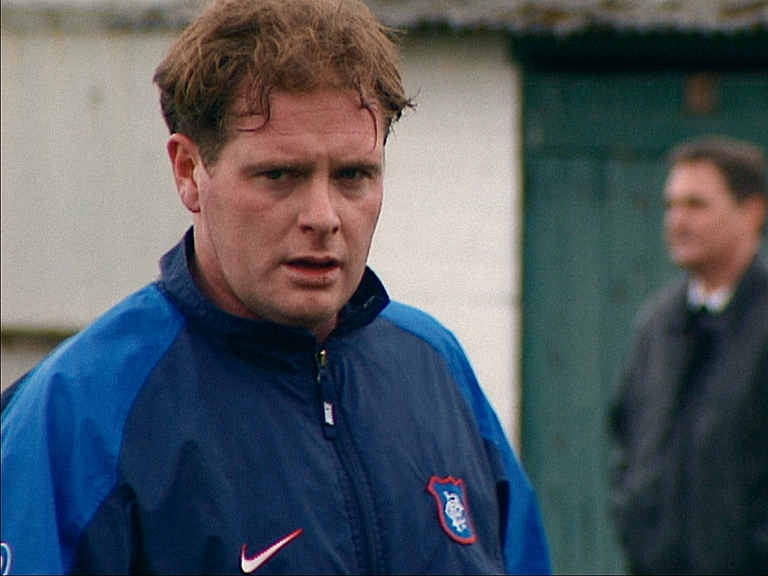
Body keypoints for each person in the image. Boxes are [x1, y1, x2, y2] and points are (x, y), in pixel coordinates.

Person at [0, 0, 551, 574]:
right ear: (189, 171)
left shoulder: (435, 365)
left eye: (353, 175)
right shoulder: (81, 411)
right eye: (279, 175)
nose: (323, 215)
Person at [609, 135, 768, 574]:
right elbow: (628, 444)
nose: (677, 220)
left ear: (752, 212)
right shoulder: (658, 324)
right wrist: (637, 529)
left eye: (696, 205)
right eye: (671, 205)